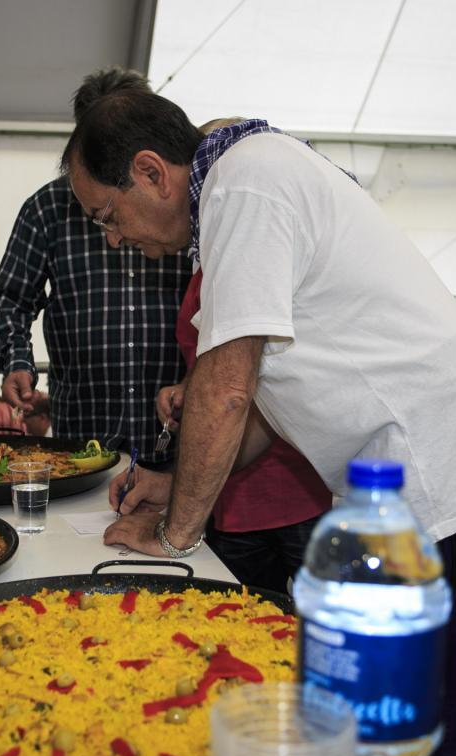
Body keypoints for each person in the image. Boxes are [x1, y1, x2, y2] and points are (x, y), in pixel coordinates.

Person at [66, 91, 456, 756]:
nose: (113, 239)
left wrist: (174, 537)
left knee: (436, 721)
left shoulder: (244, 183)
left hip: (446, 474)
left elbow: (227, 389)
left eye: (108, 216)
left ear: (151, 172)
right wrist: (174, 486)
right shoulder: (245, 178)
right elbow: (266, 409)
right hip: (423, 473)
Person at [145, 117, 332, 595]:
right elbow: (220, 369)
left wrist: (174, 529)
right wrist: (187, 390)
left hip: (291, 486)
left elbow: (241, 389)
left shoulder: (255, 245)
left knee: (316, 619)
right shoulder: (206, 266)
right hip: (227, 495)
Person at [0, 67, 189, 468]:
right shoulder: (49, 208)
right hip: (85, 439)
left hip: (176, 436)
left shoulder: (183, 202)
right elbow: (9, 299)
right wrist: (17, 362)